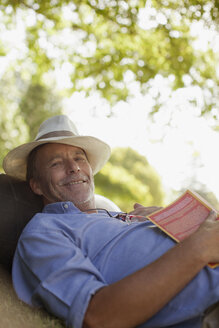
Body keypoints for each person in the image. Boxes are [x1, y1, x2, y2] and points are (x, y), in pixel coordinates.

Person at [3, 115, 219, 328]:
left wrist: (164, 219)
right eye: (56, 163)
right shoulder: (44, 231)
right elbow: (97, 316)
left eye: (79, 158)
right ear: (36, 185)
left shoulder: (117, 217)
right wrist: (198, 247)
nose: (74, 167)